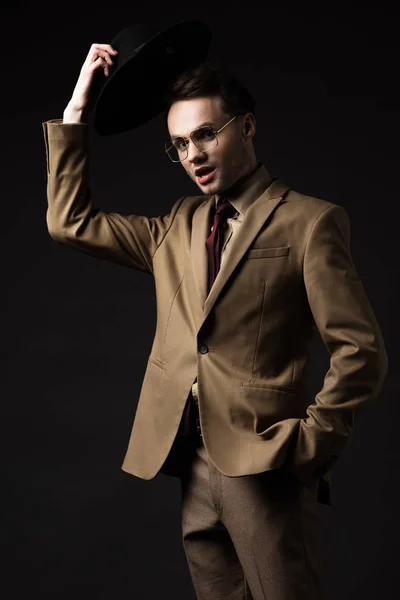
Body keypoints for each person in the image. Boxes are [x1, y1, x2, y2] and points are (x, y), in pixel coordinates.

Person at [42, 36, 388, 600]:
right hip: (191, 469)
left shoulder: (309, 223)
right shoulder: (177, 224)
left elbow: (361, 352)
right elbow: (70, 222)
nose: (193, 155)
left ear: (246, 127)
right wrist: (76, 113)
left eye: (206, 134)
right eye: (178, 144)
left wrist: (306, 448)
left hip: (267, 469)